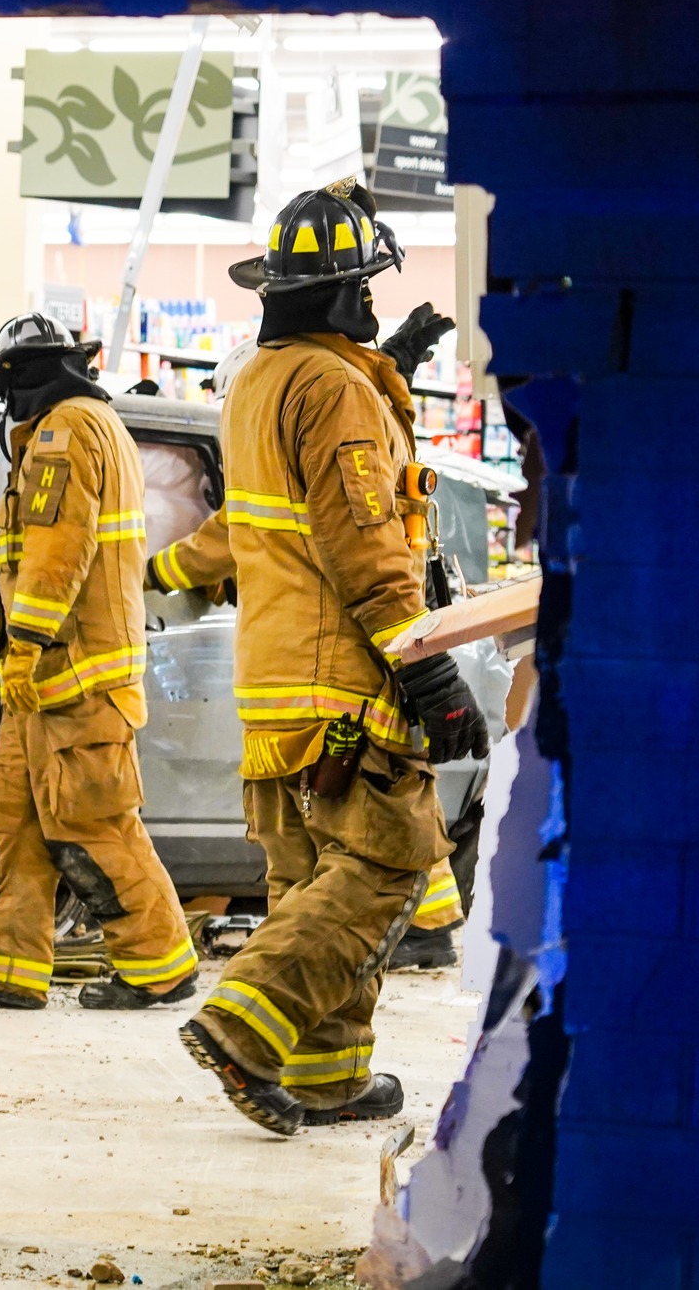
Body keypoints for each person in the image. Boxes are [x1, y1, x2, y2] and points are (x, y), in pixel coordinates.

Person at [174, 181, 489, 1134]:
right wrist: (427, 670)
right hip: (342, 686)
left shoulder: (260, 379)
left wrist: (387, 374)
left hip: (274, 687)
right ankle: (242, 1027)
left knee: (311, 878)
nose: (375, 305)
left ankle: (326, 1076)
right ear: (348, 292)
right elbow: (367, 544)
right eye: (368, 290)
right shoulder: (336, 389)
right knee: (387, 864)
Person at [145, 310, 471, 973]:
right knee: (382, 828)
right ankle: (419, 925)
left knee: (341, 852)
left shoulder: (291, 405)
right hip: (348, 665)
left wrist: (155, 573)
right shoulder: (323, 393)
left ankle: (294, 990)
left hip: (312, 674)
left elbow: (244, 536)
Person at [0, 314, 198, 1012]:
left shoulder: (63, 433)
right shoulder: (91, 425)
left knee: (93, 824)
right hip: (49, 683)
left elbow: (56, 554)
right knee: (9, 816)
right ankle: (6, 966)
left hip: (74, 678)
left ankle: (159, 962)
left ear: (21, 378)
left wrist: (24, 647)